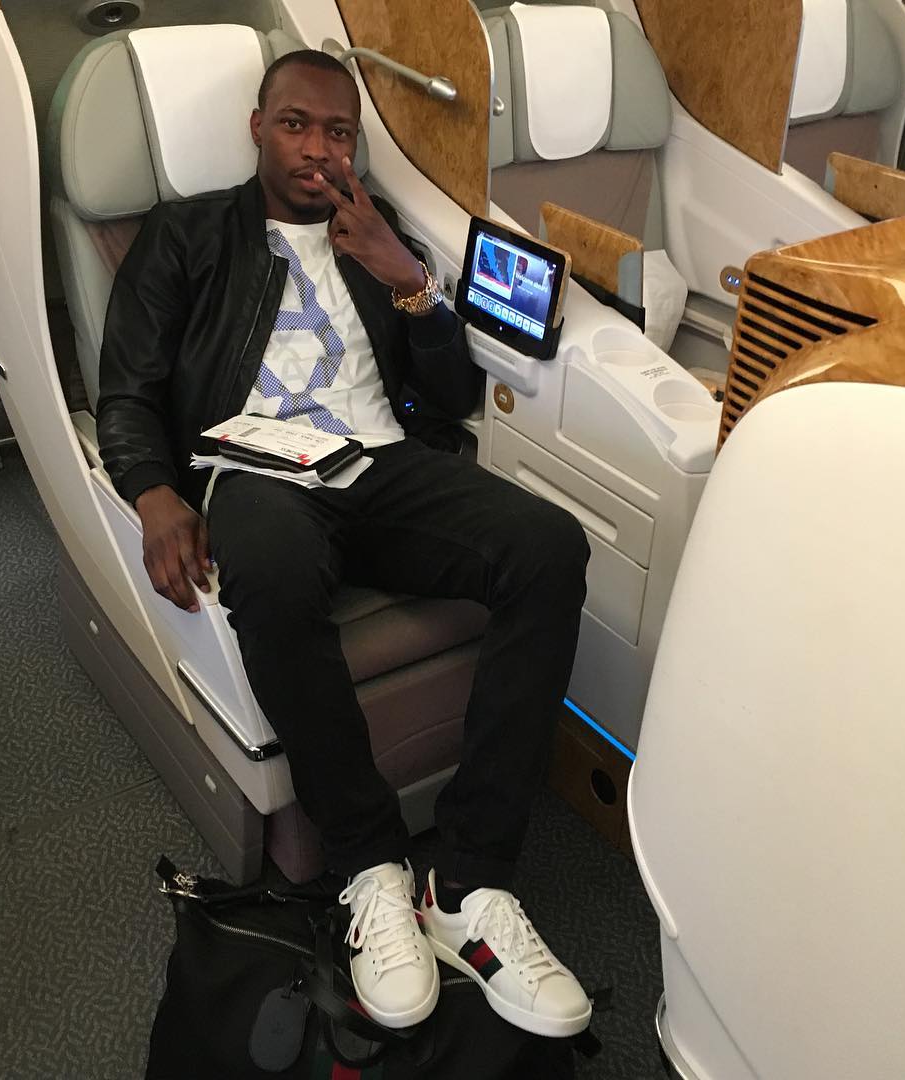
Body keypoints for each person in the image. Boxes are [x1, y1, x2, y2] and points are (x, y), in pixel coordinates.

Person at [96, 49, 592, 1038]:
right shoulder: (189, 235)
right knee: (272, 569)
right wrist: (153, 492)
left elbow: (449, 397)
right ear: (258, 127)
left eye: (338, 132)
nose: (318, 149)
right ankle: (370, 864)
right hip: (256, 469)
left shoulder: (377, 232)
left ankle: (468, 881)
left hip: (380, 463)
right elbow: (127, 392)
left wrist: (409, 284)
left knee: (549, 545)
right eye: (296, 125)